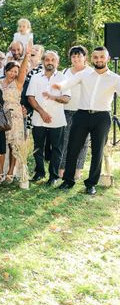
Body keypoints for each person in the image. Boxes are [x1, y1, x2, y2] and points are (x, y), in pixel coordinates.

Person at [54, 47, 120, 195]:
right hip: (82, 115)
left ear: (107, 59)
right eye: (96, 57)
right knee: (73, 148)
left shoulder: (115, 78)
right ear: (92, 59)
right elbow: (67, 84)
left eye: (102, 57)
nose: (99, 60)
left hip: (102, 117)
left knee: (97, 151)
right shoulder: (85, 74)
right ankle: (68, 181)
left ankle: (91, 184)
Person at [26, 51, 70, 186]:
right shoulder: (35, 77)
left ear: (57, 62)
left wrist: (54, 97)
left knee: (56, 149)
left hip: (57, 120)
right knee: (38, 148)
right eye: (47, 60)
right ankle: (39, 173)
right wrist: (42, 112)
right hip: (39, 119)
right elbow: (30, 97)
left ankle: (54, 176)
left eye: (53, 60)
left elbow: (67, 98)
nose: (50, 62)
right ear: (43, 61)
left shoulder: (63, 78)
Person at [0, 40, 32, 183]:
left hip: (15, 116)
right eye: (11, 70)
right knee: (0, 144)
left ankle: (10, 173)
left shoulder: (17, 84)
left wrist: (27, 56)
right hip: (0, 115)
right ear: (6, 71)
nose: (13, 73)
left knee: (14, 145)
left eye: (16, 72)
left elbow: (23, 70)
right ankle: (0, 173)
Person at [59, 46, 93, 181]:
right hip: (66, 111)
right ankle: (62, 169)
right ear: (70, 58)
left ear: (85, 57)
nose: (76, 58)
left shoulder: (91, 72)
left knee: (82, 143)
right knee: (65, 141)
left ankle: (77, 170)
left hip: (84, 112)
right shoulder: (65, 72)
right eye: (74, 56)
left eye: (79, 56)